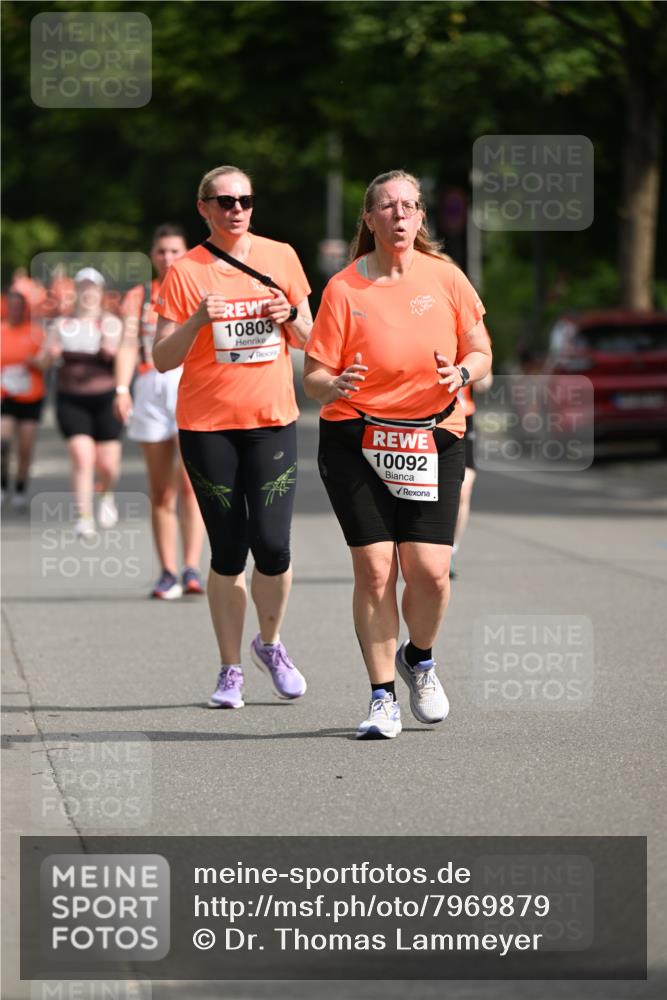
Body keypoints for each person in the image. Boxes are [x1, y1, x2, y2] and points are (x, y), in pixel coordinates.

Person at [304, 169, 492, 739]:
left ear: (422, 218)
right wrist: (331, 386)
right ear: (369, 218)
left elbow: (481, 350)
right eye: (388, 206)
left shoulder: (447, 278)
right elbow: (315, 374)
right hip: (356, 438)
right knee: (376, 566)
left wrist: (461, 372)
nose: (400, 215)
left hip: (433, 436)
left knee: (431, 573)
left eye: (410, 205)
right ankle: (382, 695)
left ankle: (421, 658)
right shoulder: (344, 288)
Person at [153, 164, 313, 708]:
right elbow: (159, 359)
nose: (236, 209)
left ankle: (269, 644)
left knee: (272, 545)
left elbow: (314, 340)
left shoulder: (282, 256)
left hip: (271, 420)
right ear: (204, 208)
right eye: (224, 201)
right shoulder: (186, 272)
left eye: (244, 199)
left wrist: (290, 314)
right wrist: (197, 320)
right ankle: (229, 671)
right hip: (207, 427)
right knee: (227, 549)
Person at [114, 225, 206, 599]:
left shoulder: (197, 289)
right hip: (150, 386)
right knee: (161, 489)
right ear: (153, 255)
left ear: (185, 254)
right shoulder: (139, 296)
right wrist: (121, 390)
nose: (168, 258)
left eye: (174, 251)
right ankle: (167, 570)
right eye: (161, 252)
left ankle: (191, 567)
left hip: (190, 384)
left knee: (190, 485)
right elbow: (125, 344)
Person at [47, 267, 124, 538]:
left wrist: (111, 351)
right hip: (71, 398)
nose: (88, 292)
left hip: (105, 399)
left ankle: (106, 496)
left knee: (108, 465)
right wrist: (51, 354)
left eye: (93, 287)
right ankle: (84, 516)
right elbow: (44, 359)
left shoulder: (111, 323)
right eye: (83, 287)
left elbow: (124, 361)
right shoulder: (61, 324)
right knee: (81, 456)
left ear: (101, 292)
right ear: (76, 291)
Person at [1, 288, 47, 509]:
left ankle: (20, 487)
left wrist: (35, 362)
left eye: (20, 307)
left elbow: (47, 362)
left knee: (25, 447)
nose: (15, 311)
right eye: (12, 306)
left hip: (31, 397)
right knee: (3, 442)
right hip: (6, 396)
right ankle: (2, 485)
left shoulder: (36, 332)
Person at [450, 371, 493, 579]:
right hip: (428, 416)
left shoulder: (474, 336)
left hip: (463, 417)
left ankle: (450, 552)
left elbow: (485, 383)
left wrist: (468, 371)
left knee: (463, 489)